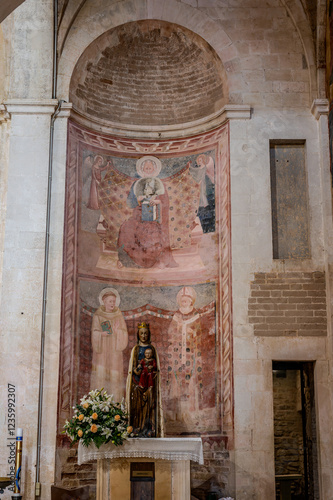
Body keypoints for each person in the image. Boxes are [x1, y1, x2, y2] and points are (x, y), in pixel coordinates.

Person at [117, 157, 177, 269]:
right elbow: (130, 203)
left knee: (151, 233)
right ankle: (126, 261)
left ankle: (157, 262)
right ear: (142, 170)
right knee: (126, 228)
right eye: (146, 168)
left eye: (150, 168)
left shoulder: (160, 184)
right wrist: (138, 199)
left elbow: (165, 201)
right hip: (138, 216)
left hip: (154, 217)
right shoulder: (136, 184)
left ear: (154, 170)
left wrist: (157, 201)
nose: (148, 170)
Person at [166, 286, 203, 424]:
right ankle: (177, 413)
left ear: (191, 301)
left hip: (190, 355)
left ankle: (191, 413)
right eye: (182, 300)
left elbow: (199, 334)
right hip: (177, 355)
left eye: (187, 300)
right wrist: (178, 331)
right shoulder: (176, 316)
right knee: (176, 382)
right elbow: (170, 332)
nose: (184, 302)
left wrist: (191, 333)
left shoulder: (195, 316)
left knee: (190, 381)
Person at [126, 322, 164, 437]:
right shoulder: (136, 349)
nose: (143, 336)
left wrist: (153, 372)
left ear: (149, 335)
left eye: (146, 333)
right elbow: (132, 368)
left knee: (149, 408)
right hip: (137, 384)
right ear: (138, 335)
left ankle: (148, 429)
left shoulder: (152, 349)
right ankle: (137, 428)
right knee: (137, 408)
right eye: (141, 333)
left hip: (149, 385)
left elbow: (157, 369)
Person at [90, 288, 128, 400]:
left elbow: (124, 333)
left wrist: (117, 332)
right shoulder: (98, 315)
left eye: (114, 301)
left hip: (115, 351)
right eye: (110, 301)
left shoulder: (118, 315)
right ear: (104, 302)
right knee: (101, 374)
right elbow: (94, 332)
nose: (113, 303)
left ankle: (115, 402)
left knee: (115, 375)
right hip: (101, 351)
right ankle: (99, 403)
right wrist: (101, 334)